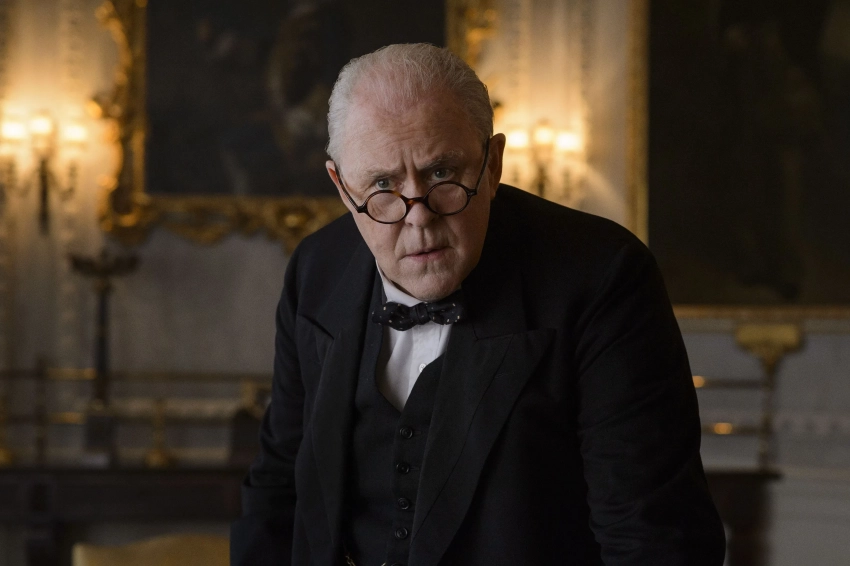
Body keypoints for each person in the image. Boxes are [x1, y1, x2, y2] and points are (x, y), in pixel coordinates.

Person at [230, 44, 725, 565]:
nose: (418, 217)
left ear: (492, 165)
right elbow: (278, 487)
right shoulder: (316, 271)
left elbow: (653, 538)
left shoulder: (604, 277)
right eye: (382, 184)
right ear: (341, 185)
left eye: (441, 173)